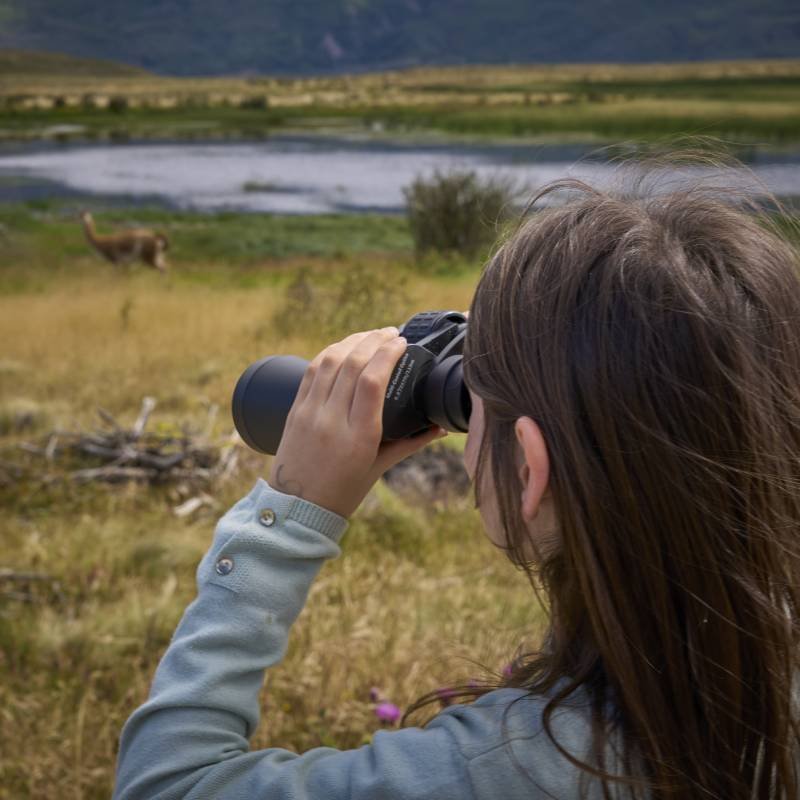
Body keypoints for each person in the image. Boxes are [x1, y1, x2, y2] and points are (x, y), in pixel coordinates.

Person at [112, 161, 800, 799]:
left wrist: (290, 512)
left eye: (475, 409)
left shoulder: (510, 770)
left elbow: (167, 784)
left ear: (528, 469)